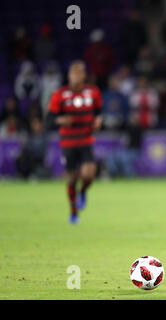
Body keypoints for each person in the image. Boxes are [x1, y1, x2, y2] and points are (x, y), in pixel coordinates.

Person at [46, 60, 102, 224]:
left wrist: (98, 120)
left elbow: (98, 112)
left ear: (84, 75)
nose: (76, 76)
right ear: (69, 75)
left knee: (89, 175)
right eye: (73, 73)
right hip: (68, 142)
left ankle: (83, 191)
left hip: (86, 139)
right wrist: (61, 120)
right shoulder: (60, 94)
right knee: (72, 178)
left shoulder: (93, 92)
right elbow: (49, 119)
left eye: (79, 73)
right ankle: (73, 213)